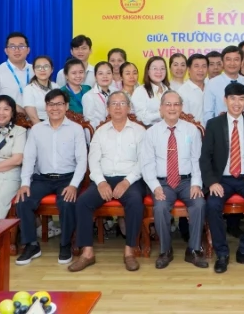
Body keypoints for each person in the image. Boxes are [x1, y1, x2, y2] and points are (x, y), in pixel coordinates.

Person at [69, 91, 147, 272]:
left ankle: (130, 251)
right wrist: (101, 182)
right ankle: (87, 253)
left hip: (131, 180)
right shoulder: (100, 132)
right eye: (114, 104)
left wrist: (126, 182)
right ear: (107, 108)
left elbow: (143, 162)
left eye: (122, 103)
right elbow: (93, 160)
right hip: (104, 178)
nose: (118, 107)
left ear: (129, 107)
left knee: (135, 201)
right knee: (83, 202)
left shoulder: (140, 131)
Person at [200, 83, 244, 273]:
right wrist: (212, 182)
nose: (237, 103)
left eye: (241, 99)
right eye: (232, 98)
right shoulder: (214, 124)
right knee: (212, 205)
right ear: (225, 100)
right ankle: (222, 253)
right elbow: (205, 157)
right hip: (222, 179)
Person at [15, 89, 87, 266]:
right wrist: (25, 183)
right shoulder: (37, 130)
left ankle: (65, 244)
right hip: (42, 178)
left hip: (67, 178)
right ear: (46, 107)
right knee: (23, 201)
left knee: (67, 202)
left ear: (66, 106)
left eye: (59, 104)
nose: (55, 108)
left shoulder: (76, 129)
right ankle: (32, 245)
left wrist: (74, 185)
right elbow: (29, 158)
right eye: (51, 104)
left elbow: (82, 161)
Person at [141, 91, 207, 269]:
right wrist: (155, 187)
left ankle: (193, 250)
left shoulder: (191, 130)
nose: (172, 108)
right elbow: (147, 163)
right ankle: (165, 250)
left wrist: (196, 184)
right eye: (168, 104)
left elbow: (196, 160)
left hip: (187, 181)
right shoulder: (151, 133)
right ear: (161, 108)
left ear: (181, 107)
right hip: (162, 182)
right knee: (161, 207)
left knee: (199, 204)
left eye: (176, 104)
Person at [0, 32, 32, 113]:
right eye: (12, 47)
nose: (17, 50)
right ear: (6, 51)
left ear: (28, 50)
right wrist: (12, 106)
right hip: (10, 118)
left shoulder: (35, 70)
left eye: (21, 46)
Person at [203, 46, 244, 122]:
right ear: (222, 63)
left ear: (241, 63)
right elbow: (208, 113)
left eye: (236, 59)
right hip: (220, 127)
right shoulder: (212, 83)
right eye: (228, 59)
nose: (232, 63)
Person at [131, 57, 169, 126]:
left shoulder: (168, 90)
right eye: (155, 68)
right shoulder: (140, 91)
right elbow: (140, 118)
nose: (159, 71)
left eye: (162, 68)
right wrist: (160, 114)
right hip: (147, 129)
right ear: (148, 71)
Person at [22, 56, 55, 125]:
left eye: (46, 66)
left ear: (52, 70)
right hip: (38, 124)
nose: (42, 70)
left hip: (56, 123)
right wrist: (42, 129)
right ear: (34, 70)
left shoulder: (56, 87)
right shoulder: (29, 89)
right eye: (38, 67)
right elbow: (33, 117)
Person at [82, 61, 113, 129]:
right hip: (98, 132)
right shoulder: (89, 96)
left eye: (108, 73)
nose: (105, 76)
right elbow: (89, 123)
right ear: (95, 77)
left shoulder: (116, 92)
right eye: (100, 73)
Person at [180, 54, 208, 124]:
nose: (201, 70)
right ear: (189, 70)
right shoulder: (182, 92)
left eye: (204, 66)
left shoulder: (211, 87)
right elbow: (184, 120)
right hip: (193, 130)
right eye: (196, 66)